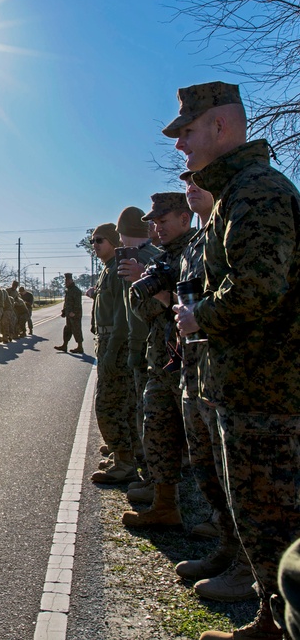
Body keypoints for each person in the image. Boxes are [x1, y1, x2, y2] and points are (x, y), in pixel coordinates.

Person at [167, 81, 300, 640]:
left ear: (221, 127)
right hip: (242, 387)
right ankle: (270, 621)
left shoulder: (257, 192)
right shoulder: (235, 193)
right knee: (256, 515)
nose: (180, 146)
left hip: (266, 394)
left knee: (274, 520)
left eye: (188, 132)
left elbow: (257, 288)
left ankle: (279, 623)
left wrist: (200, 318)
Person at [170, 172, 254, 603]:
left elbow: (253, 290)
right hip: (198, 370)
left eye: (200, 181)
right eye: (187, 182)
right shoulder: (197, 242)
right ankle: (228, 549)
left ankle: (250, 571)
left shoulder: (240, 217)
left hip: (237, 374)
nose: (192, 185)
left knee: (240, 478)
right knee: (209, 470)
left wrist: (200, 314)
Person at [122, 192, 195, 529]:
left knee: (203, 446)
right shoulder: (160, 260)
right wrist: (160, 297)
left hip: (195, 366)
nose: (156, 228)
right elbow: (142, 309)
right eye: (153, 222)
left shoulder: (200, 252)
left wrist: (172, 298)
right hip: (161, 361)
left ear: (185, 218)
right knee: (157, 432)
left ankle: (223, 528)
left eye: (163, 221)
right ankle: (165, 505)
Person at [87, 223, 139, 485]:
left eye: (100, 240)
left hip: (114, 343)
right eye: (93, 241)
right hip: (107, 340)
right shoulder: (107, 270)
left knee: (109, 405)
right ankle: (124, 455)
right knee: (121, 403)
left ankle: (125, 463)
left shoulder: (117, 270)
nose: (94, 245)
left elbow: (122, 315)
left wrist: (113, 351)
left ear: (114, 242)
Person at [114, 205, 161, 486]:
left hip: (147, 345)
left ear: (122, 233)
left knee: (148, 412)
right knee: (145, 409)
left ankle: (151, 476)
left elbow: (138, 312)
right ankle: (150, 473)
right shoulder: (145, 256)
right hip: (147, 343)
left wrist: (134, 346)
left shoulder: (143, 260)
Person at [54, 273, 84, 353]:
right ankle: (64, 345)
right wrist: (64, 311)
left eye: (67, 281)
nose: (65, 283)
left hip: (75, 314)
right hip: (68, 314)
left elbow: (78, 303)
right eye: (65, 281)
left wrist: (74, 312)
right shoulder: (68, 290)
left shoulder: (76, 290)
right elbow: (67, 303)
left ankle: (80, 347)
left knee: (76, 330)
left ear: (71, 280)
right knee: (67, 329)